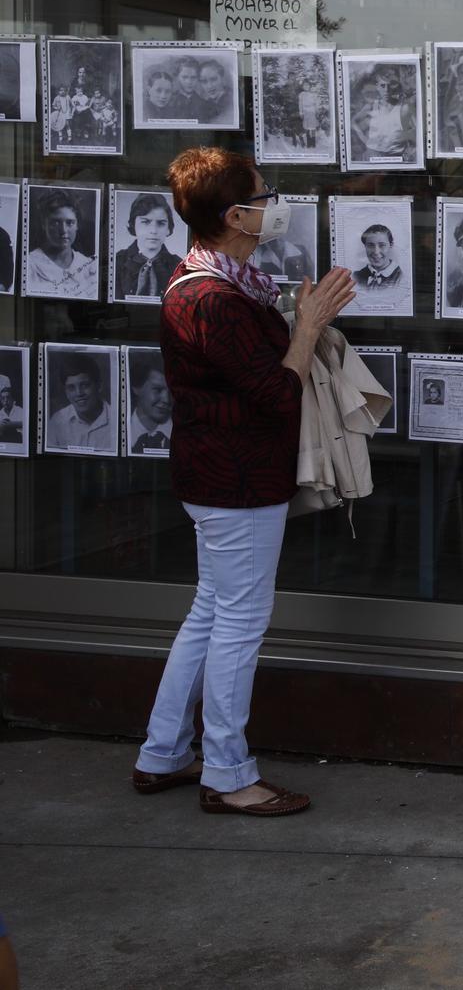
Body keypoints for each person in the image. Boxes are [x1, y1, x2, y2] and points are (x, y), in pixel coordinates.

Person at [134, 147, 356, 816]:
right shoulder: (211, 298)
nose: (271, 205)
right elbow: (274, 392)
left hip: (219, 475)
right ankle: (228, 772)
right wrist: (309, 326)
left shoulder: (214, 280)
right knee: (237, 622)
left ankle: (163, 750)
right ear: (235, 215)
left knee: (211, 611)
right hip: (234, 480)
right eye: (263, 196)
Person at [23, 190, 98, 299]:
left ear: (77, 225)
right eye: (56, 222)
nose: (63, 230)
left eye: (70, 223)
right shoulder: (30, 264)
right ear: (44, 224)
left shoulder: (88, 265)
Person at [113, 192, 180, 302]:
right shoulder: (117, 262)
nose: (153, 231)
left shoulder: (178, 266)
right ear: (133, 225)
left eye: (161, 223)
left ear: (168, 228)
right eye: (145, 222)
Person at [45, 356, 115, 451]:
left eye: (85, 385)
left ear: (99, 386)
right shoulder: (57, 421)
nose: (79, 393)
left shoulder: (116, 420)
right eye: (71, 388)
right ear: (66, 392)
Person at [127, 351, 175, 454]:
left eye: (172, 391)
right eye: (157, 390)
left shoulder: (186, 434)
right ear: (136, 388)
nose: (166, 400)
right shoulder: (115, 432)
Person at [352, 223, 403, 292]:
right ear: (365, 246)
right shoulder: (356, 276)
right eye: (370, 245)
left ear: (391, 245)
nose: (376, 252)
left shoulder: (401, 277)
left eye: (382, 245)